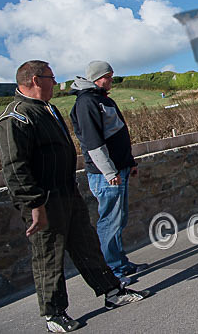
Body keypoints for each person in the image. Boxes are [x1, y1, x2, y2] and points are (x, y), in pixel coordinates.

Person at [0, 60, 149, 333]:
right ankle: (54, 313)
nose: (55, 82)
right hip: (44, 199)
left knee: (86, 244)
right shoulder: (15, 118)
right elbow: (15, 169)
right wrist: (34, 205)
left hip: (67, 193)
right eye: (50, 78)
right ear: (34, 80)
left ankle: (112, 292)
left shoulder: (48, 110)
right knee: (48, 255)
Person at [69, 61, 146, 285]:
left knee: (118, 218)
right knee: (110, 221)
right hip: (106, 174)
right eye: (108, 77)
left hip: (118, 169)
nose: (111, 81)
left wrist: (129, 161)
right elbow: (93, 143)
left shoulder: (103, 98)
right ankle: (112, 270)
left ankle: (119, 263)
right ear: (96, 77)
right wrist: (109, 171)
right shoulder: (86, 103)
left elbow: (119, 132)